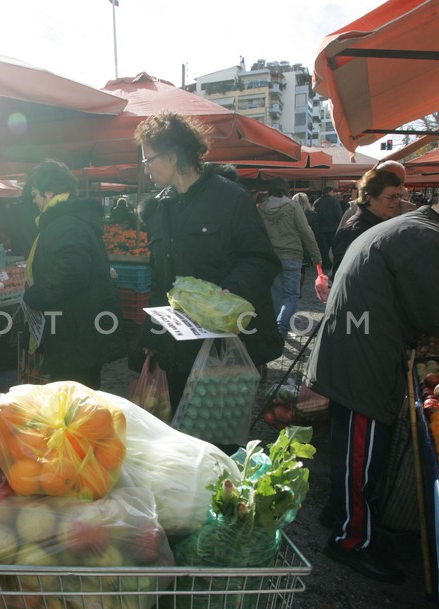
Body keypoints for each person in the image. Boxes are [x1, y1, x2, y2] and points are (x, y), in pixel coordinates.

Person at [306, 192, 439, 584]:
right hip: (365, 357)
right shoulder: (427, 238)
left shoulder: (411, 226)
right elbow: (435, 313)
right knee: (361, 454)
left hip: (356, 348)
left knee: (354, 450)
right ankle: (350, 541)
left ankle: (345, 515)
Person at [134, 112, 282, 411]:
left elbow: (262, 259)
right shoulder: (159, 207)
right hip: (176, 347)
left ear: (173, 156)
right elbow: (160, 276)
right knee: (180, 434)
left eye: (148, 159)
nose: (145, 168)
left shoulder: (230, 198)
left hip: (221, 347)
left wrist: (228, 291)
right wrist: (152, 332)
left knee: (218, 438)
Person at [21, 159, 125, 388]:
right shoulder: (69, 219)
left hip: (77, 333)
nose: (33, 199)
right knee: (81, 395)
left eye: (36, 193)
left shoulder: (66, 222)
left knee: (74, 398)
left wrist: (34, 295)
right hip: (79, 330)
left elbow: (71, 271)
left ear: (49, 193)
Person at [257, 178, 322, 336]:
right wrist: (316, 256)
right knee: (291, 295)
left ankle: (274, 326)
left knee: (275, 293)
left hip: (270, 257)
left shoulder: (260, 208)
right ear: (286, 189)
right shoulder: (292, 206)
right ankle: (281, 326)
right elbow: (306, 232)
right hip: (292, 255)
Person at [328, 167, 403, 281]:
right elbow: (342, 279)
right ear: (369, 198)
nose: (397, 201)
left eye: (398, 196)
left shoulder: (387, 225)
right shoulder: (352, 232)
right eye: (391, 197)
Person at [312, 186, 344, 270]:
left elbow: (314, 216)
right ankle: (332, 263)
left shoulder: (317, 202)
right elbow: (339, 214)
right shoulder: (334, 201)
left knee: (323, 247)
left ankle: (325, 264)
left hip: (321, 228)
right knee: (332, 247)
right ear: (330, 191)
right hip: (333, 227)